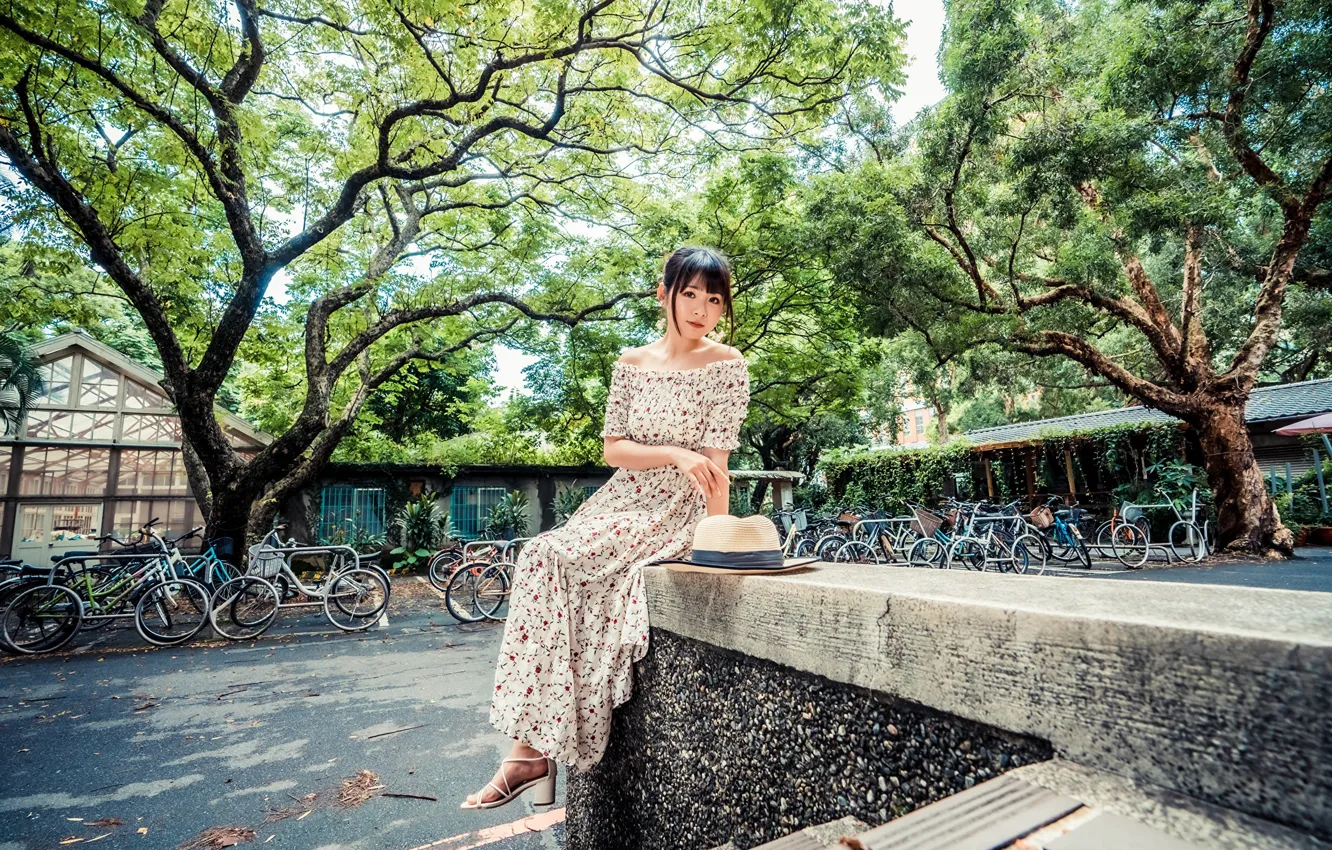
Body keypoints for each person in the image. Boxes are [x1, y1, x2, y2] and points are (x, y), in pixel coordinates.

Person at [461, 245, 750, 810]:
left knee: (553, 560)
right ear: (663, 292)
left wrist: (716, 538)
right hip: (621, 499)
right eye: (690, 294)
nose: (701, 310)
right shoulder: (631, 363)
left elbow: (716, 464)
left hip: (676, 509)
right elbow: (614, 448)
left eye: (714, 300)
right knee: (543, 557)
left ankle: (529, 757)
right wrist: (672, 452)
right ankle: (530, 751)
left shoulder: (727, 364)